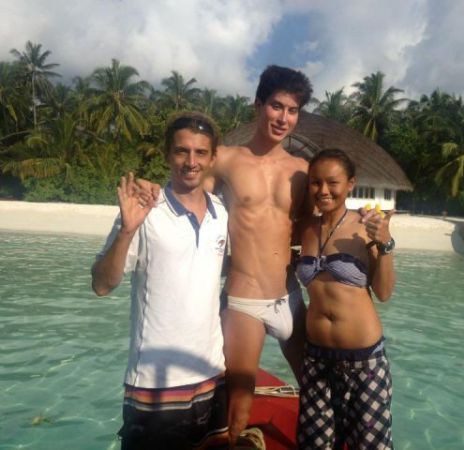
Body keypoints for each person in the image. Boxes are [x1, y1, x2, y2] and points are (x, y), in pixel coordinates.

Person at [136, 65, 313, 445]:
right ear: (258, 105)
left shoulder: (302, 170)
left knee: (316, 390)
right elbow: (185, 189)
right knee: (238, 411)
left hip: (290, 297)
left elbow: (321, 222)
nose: (283, 118)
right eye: (276, 106)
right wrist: (150, 190)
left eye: (293, 110)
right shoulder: (226, 160)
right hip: (245, 301)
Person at [92, 112, 229, 449]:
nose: (191, 162)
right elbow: (102, 285)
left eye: (200, 152)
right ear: (168, 155)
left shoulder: (221, 213)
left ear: (213, 158)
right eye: (182, 151)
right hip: (154, 384)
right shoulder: (144, 210)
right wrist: (127, 230)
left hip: (211, 374)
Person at [295, 148, 395, 449]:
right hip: (316, 358)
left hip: (364, 360)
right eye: (315, 182)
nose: (323, 190)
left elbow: (384, 292)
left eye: (332, 182)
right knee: (314, 443)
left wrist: (385, 244)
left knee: (370, 444)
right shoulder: (305, 229)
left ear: (350, 184)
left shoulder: (366, 227)